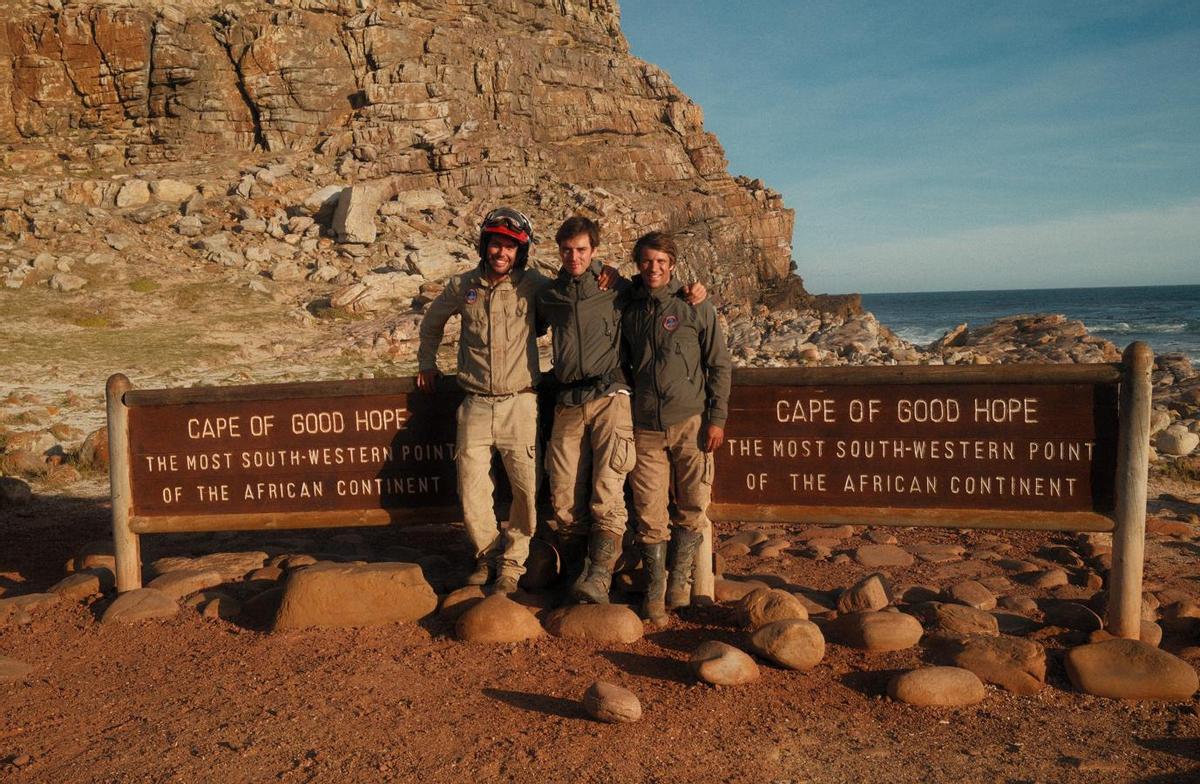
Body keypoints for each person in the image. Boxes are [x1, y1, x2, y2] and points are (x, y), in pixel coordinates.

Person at [538, 217, 709, 606]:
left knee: (607, 491)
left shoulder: (618, 287)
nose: (574, 256)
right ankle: (578, 576)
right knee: (563, 496)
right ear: (559, 251)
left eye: (582, 249)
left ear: (594, 251)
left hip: (610, 395)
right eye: (567, 250)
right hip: (567, 399)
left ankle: (600, 577)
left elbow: (660, 293)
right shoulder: (549, 294)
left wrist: (695, 293)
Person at [416, 207, 548, 596]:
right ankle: (486, 556)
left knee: (525, 489)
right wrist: (427, 364)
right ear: (485, 246)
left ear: (520, 251)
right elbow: (431, 324)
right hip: (474, 403)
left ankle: (512, 564)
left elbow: (574, 299)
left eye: (509, 246)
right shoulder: (463, 285)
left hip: (519, 403)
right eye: (495, 244)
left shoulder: (535, 285)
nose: (501, 252)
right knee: (471, 487)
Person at [621, 230, 732, 625]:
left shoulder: (695, 306)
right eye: (648, 261)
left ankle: (679, 588)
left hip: (691, 423)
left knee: (691, 506)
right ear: (639, 264)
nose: (654, 268)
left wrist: (716, 419)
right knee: (649, 512)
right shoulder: (629, 308)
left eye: (662, 262)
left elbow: (718, 364)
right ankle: (653, 593)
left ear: (672, 265)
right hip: (645, 426)